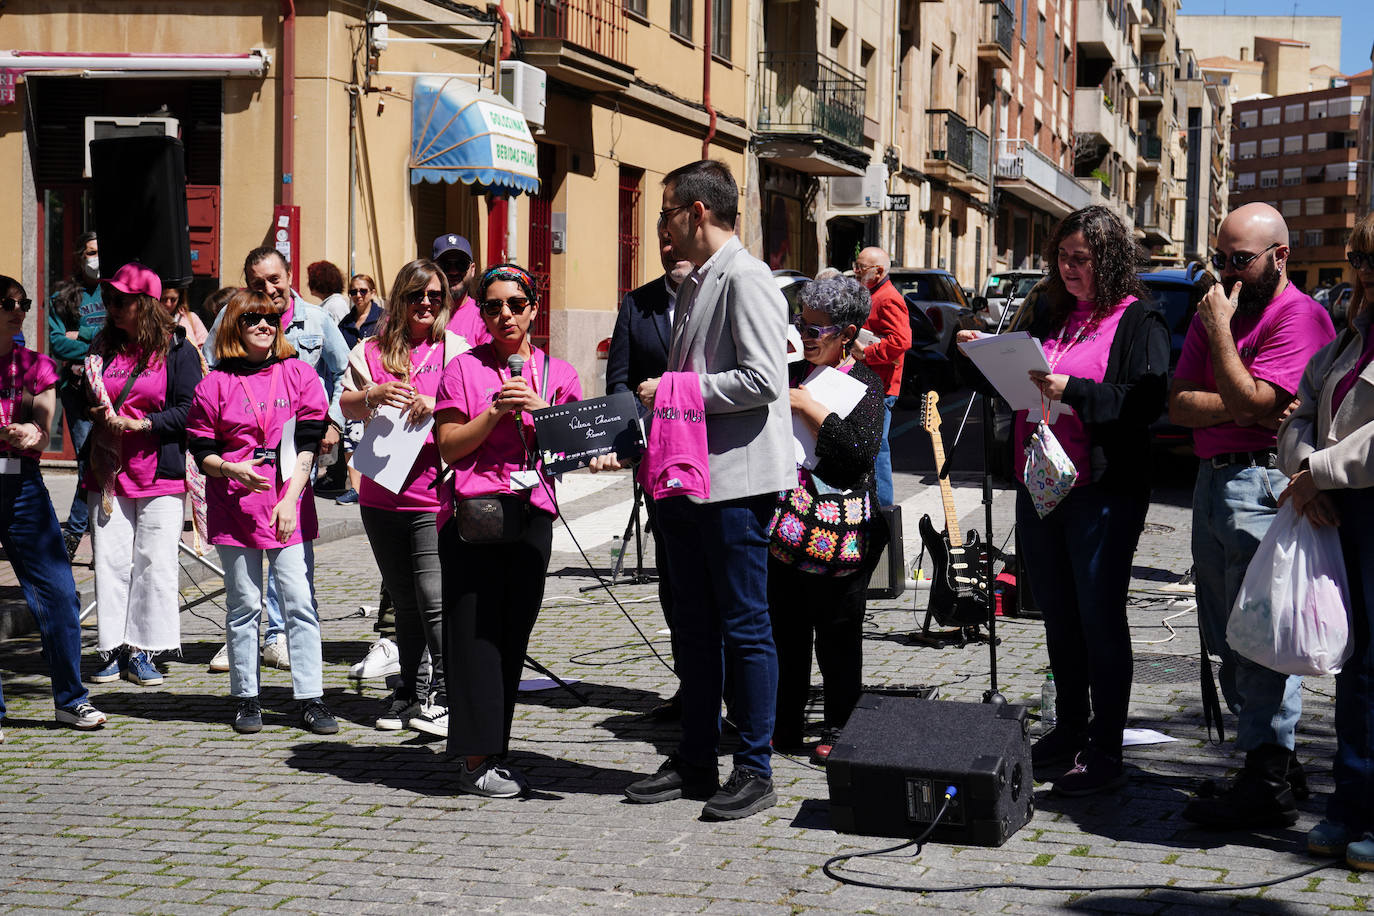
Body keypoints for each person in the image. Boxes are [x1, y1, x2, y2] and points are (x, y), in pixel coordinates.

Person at [959, 206, 1169, 795]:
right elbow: (1015, 381)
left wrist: (1072, 389)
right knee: (1057, 613)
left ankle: (1105, 748)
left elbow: (1143, 402)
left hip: (1101, 490)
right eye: (1063, 257)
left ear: (1110, 260)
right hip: (1042, 483)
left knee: (1099, 618)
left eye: (1083, 259)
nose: (1070, 268)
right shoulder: (1050, 310)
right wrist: (981, 354)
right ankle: (1069, 729)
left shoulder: (1140, 319)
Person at [610, 160, 794, 821]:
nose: (659, 228)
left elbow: (764, 380)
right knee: (692, 624)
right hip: (691, 477)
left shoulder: (746, 279)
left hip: (737, 483)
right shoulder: (696, 282)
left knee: (744, 626)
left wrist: (676, 391)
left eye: (664, 213)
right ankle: (694, 755)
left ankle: (754, 767)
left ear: (694, 213)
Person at [1169, 202, 1336, 828]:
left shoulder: (1301, 317)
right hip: (1212, 482)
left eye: (1239, 260)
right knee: (1227, 636)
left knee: (1264, 634)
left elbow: (1258, 404)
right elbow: (1181, 405)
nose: (1226, 274)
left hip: (1263, 480)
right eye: (1219, 259)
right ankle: (1274, 759)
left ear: (1280, 257)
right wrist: (1239, 403)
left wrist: (1220, 339)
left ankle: (1265, 778)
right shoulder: (1218, 310)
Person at [434, 263, 581, 797]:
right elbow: (449, 446)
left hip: (530, 515)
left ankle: (494, 747)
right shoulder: (462, 370)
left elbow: (569, 451)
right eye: (492, 306)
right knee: (474, 636)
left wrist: (540, 411)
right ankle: (474, 759)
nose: (504, 315)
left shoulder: (558, 373)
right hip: (472, 518)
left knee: (511, 636)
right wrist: (494, 413)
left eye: (515, 304)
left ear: (533, 309)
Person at [186, 288, 336, 735]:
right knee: (244, 604)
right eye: (253, 319)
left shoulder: (298, 374)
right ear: (235, 325)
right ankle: (246, 698)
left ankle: (310, 697)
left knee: (299, 602)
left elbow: (310, 441)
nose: (264, 325)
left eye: (272, 318)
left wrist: (290, 498)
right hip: (235, 505)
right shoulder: (213, 383)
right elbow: (201, 451)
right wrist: (231, 468)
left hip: (288, 502)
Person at [1277, 212, 1374, 870]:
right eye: (1360, 259)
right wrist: (1304, 474)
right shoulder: (1349, 340)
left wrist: (1318, 472)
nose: (1366, 273)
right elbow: (1297, 414)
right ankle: (1350, 805)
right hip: (1340, 513)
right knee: (1355, 669)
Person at [203, 248, 349, 672]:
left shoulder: (318, 320)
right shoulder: (233, 313)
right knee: (250, 537)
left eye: (275, 279)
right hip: (246, 453)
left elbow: (343, 372)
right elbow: (211, 367)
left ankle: (280, 635)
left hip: (299, 449)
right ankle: (243, 635)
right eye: (257, 283)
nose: (268, 290)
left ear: (289, 276)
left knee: (288, 549)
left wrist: (333, 423)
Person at [342, 259, 466, 734]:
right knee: (404, 600)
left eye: (435, 295)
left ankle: (453, 697)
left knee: (434, 598)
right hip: (380, 493)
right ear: (399, 300)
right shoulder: (370, 350)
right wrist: (373, 393)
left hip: (433, 493)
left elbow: (475, 402)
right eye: (417, 295)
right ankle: (410, 693)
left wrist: (436, 404)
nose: (427, 303)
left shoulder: (457, 350)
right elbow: (345, 404)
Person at [769, 276, 888, 764]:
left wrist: (810, 408)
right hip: (786, 526)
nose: (809, 335)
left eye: (821, 328)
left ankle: (841, 723)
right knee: (786, 631)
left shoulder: (863, 383)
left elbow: (857, 457)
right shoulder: (789, 371)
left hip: (842, 532)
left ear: (849, 333)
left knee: (839, 634)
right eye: (804, 324)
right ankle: (783, 723)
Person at [84, 263, 202, 687]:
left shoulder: (176, 350)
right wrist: (92, 410)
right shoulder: (102, 346)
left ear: (146, 304)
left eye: (121, 300)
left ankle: (143, 649)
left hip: (159, 471)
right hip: (108, 473)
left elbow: (192, 410)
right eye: (109, 299)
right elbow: (84, 400)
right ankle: (113, 648)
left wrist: (146, 425)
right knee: (112, 563)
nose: (112, 307)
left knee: (155, 564)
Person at [0, 274, 107, 738]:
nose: (17, 308)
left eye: (22, 302)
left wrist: (32, 435)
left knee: (60, 592)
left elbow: (43, 427)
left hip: (21, 485)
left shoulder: (36, 365)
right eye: (7, 302)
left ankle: (70, 700)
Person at [605, 228, 693, 721]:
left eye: (677, 239)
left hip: (714, 462)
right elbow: (618, 379)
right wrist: (630, 442)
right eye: (662, 242)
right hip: (660, 464)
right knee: (673, 579)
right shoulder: (636, 305)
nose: (671, 249)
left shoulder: (720, 297)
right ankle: (690, 684)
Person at [46, 231, 104, 560]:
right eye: (92, 252)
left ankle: (77, 533)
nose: (97, 258)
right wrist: (97, 345)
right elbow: (57, 344)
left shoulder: (114, 292)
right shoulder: (64, 297)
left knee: (106, 463)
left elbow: (118, 336)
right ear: (81, 256)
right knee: (87, 462)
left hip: (111, 389)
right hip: (77, 390)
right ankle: (86, 539)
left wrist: (83, 334)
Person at [851, 246, 911, 508]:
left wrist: (867, 353)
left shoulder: (888, 298)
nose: (855, 271)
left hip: (882, 385)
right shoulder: (873, 293)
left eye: (860, 267)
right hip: (870, 382)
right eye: (856, 265)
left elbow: (902, 340)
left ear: (878, 271)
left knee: (877, 446)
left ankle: (884, 508)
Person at [334, 273, 384, 506]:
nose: (358, 296)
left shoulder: (383, 319)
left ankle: (374, 484)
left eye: (363, 291)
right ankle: (355, 487)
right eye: (353, 291)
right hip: (352, 383)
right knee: (351, 436)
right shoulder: (345, 322)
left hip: (377, 382)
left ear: (372, 292)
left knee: (375, 436)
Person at [433, 234, 490, 347]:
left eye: (461, 264)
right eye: (445, 265)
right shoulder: (421, 313)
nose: (453, 271)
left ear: (472, 270)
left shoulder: (484, 317)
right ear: (432, 269)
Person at [160, 283, 207, 349]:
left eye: (173, 300)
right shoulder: (151, 321)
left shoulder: (191, 318)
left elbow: (205, 348)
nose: (168, 304)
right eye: (164, 299)